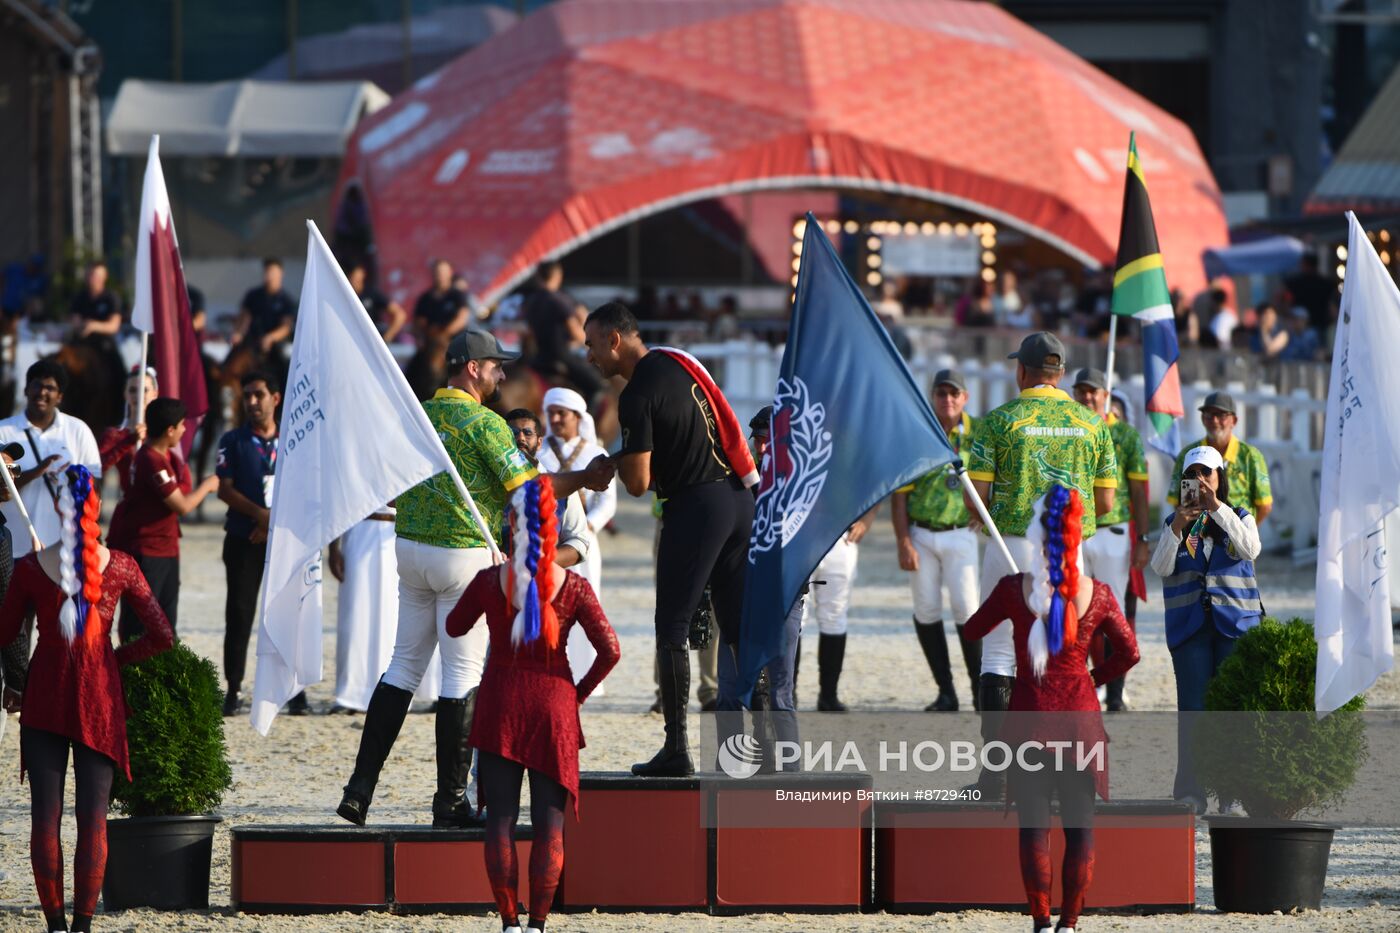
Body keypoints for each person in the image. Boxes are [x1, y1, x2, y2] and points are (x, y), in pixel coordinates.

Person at [337, 330, 612, 827]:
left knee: (401, 669)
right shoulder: (484, 424)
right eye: (495, 366)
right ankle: (450, 802)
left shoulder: (416, 412)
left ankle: (359, 789)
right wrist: (586, 480)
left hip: (408, 548)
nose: (502, 375)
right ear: (471, 368)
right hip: (461, 555)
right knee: (460, 677)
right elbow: (531, 490)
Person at [583, 302, 757, 777]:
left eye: (592, 343)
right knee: (740, 629)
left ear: (615, 340)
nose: (589, 355)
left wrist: (608, 466)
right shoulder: (677, 365)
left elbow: (638, 483)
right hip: (740, 500)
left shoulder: (637, 392)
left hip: (698, 507)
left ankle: (677, 748)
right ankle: (768, 747)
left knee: (673, 627)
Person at [0, 465, 174, 933]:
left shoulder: (31, 568)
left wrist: (15, 680)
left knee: (45, 818)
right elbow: (161, 635)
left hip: (44, 694)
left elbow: (7, 633)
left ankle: (54, 925)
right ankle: (82, 927)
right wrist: (115, 659)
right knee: (93, 818)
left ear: (58, 509)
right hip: (99, 694)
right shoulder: (120, 565)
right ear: (97, 508)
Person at [963, 484, 1140, 933]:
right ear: (1078, 538)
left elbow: (972, 631)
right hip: (1081, 719)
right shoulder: (1097, 594)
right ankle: (1070, 924)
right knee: (1080, 829)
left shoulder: (1012, 590)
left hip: (1028, 720)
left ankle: (1042, 922)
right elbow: (1130, 652)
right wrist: (1091, 679)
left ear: (1035, 538)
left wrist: (999, 598)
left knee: (1033, 829)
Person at [445, 475, 619, 933]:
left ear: (510, 523)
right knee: (551, 827)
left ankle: (509, 923)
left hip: (501, 701)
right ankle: (539, 924)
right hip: (554, 707)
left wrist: (487, 585)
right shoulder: (574, 587)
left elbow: (454, 627)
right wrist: (575, 695)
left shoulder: (490, 580)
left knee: (500, 820)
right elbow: (611, 651)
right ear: (555, 524)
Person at [965, 332, 1117, 798]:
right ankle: (1053, 771)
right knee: (1059, 657)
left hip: (1009, 542)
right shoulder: (1092, 424)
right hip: (1068, 550)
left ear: (1022, 371)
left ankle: (998, 775)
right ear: (1061, 374)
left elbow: (980, 499)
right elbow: (1107, 501)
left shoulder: (998, 421)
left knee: (998, 654)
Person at [1151, 445, 1262, 814]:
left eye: (1207, 474)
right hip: (1190, 630)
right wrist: (1178, 527)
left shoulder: (1239, 516)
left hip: (1236, 627)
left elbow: (1250, 549)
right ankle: (1191, 792)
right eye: (1193, 474)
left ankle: (1234, 794)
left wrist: (1218, 509)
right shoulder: (1174, 524)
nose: (1199, 481)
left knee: (1233, 713)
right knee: (1193, 712)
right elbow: (1161, 568)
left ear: (1219, 479)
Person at [892, 369, 981, 712]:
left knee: (967, 609)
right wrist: (903, 540)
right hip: (923, 532)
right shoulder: (917, 433)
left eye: (953, 394)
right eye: (941, 393)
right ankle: (946, 691)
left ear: (965, 397)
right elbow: (900, 494)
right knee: (926, 609)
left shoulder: (979, 434)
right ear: (933, 397)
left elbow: (994, 475)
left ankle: (978, 689)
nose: (947, 400)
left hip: (961, 532)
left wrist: (985, 508)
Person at [216, 372, 304, 716]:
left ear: (275, 399)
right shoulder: (232, 440)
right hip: (243, 537)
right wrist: (260, 515)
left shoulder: (294, 438)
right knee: (239, 613)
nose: (252, 402)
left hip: (285, 540)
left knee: (290, 614)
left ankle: (294, 689)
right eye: (247, 396)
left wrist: (274, 523)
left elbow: (304, 485)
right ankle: (234, 686)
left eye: (259, 395)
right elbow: (224, 488)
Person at [1071, 369, 1150, 712]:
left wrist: (1143, 537)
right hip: (1075, 530)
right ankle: (1085, 683)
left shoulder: (1127, 436)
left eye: (1094, 392)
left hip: (1113, 531)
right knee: (1076, 610)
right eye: (1082, 392)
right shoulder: (1069, 430)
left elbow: (1139, 489)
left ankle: (1115, 689)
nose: (1088, 397)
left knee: (1112, 613)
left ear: (1106, 395)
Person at [107, 398, 220, 635]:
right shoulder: (152, 460)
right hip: (148, 551)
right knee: (140, 623)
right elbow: (182, 506)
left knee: (167, 624)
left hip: (165, 548)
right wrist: (208, 485)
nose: (185, 430)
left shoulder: (161, 457)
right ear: (170, 430)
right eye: (181, 425)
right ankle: (132, 670)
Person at [532, 391, 616, 693]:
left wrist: (586, 528)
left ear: (578, 417)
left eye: (561, 413)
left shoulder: (595, 452)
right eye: (550, 413)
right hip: (547, 543)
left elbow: (607, 501)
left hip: (583, 545)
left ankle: (584, 673)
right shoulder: (539, 454)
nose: (555, 419)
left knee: (583, 608)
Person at [328, 506, 442, 713]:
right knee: (357, 617)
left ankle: (411, 692)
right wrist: (333, 547)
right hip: (359, 529)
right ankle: (353, 695)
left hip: (407, 531)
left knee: (406, 617)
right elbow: (339, 495)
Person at [0, 360, 102, 558]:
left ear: (60, 396)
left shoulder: (78, 430)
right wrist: (38, 471)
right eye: (36, 385)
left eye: (50, 387)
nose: (42, 392)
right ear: (26, 390)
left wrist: (72, 480)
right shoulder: (3, 431)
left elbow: (93, 487)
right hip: (13, 550)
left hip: (63, 552)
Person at [504, 408, 593, 570]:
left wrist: (543, 563)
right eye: (513, 433)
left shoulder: (561, 485)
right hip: (496, 578)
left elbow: (579, 541)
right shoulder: (489, 484)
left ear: (539, 443)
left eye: (527, 433)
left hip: (546, 580)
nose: (520, 438)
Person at [1167, 390, 1272, 523]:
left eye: (1221, 415)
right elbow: (1179, 501)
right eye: (1209, 415)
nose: (1214, 421)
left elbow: (1264, 506)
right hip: (1197, 538)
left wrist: (1245, 536)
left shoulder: (1250, 456)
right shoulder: (1190, 455)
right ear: (1202, 419)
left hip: (1237, 536)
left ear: (1234, 420)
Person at [806, 508, 874, 712]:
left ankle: (828, 695)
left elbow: (876, 479)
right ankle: (786, 694)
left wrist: (867, 519)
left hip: (841, 537)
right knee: (794, 617)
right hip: (800, 534)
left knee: (834, 616)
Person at [524, 261, 607, 404]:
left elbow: (529, 332)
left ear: (538, 277)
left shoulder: (530, 301)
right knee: (597, 387)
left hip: (538, 357)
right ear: (557, 275)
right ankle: (585, 423)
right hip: (561, 355)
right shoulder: (559, 300)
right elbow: (575, 331)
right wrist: (592, 347)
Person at [98, 367, 156, 495]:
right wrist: (129, 441)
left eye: (144, 390)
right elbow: (98, 467)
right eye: (133, 390)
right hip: (130, 505)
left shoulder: (162, 431)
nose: (138, 396)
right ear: (125, 394)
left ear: (155, 393)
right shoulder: (116, 434)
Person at [234, 258, 297, 359]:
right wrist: (238, 333)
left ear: (281, 273)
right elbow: (245, 317)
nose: (269, 275)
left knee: (285, 363)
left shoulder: (286, 300)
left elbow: (286, 327)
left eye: (272, 271)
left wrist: (270, 338)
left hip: (276, 345)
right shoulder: (253, 295)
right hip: (252, 341)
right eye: (267, 271)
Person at [68, 261, 123, 354]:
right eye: (90, 275)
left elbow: (114, 326)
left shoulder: (111, 298)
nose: (92, 279)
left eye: (96, 276)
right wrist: (82, 327)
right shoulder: (80, 297)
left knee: (116, 365)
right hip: (81, 342)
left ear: (104, 277)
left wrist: (94, 326)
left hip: (104, 344)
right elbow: (75, 320)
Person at [413, 259, 470, 343]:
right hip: (432, 344)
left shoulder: (458, 295)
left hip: (455, 343)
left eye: (443, 272)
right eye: (437, 272)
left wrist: (444, 335)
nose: (440, 275)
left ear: (450, 272)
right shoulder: (425, 298)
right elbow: (419, 322)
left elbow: (462, 318)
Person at [349, 262, 406, 343]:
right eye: (350, 275)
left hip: (370, 340)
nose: (353, 279)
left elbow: (400, 314)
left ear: (362, 274)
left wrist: (387, 337)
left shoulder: (371, 293)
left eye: (355, 274)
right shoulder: (341, 295)